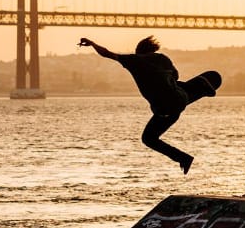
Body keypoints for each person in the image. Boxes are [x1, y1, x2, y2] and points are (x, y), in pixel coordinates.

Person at [78, 35, 221, 174]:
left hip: (164, 110)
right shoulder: (163, 58)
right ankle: (201, 87)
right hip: (179, 101)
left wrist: (92, 43)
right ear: (152, 49)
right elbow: (176, 75)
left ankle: (183, 158)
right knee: (177, 87)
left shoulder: (134, 61)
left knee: (149, 139)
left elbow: (106, 53)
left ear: (139, 51)